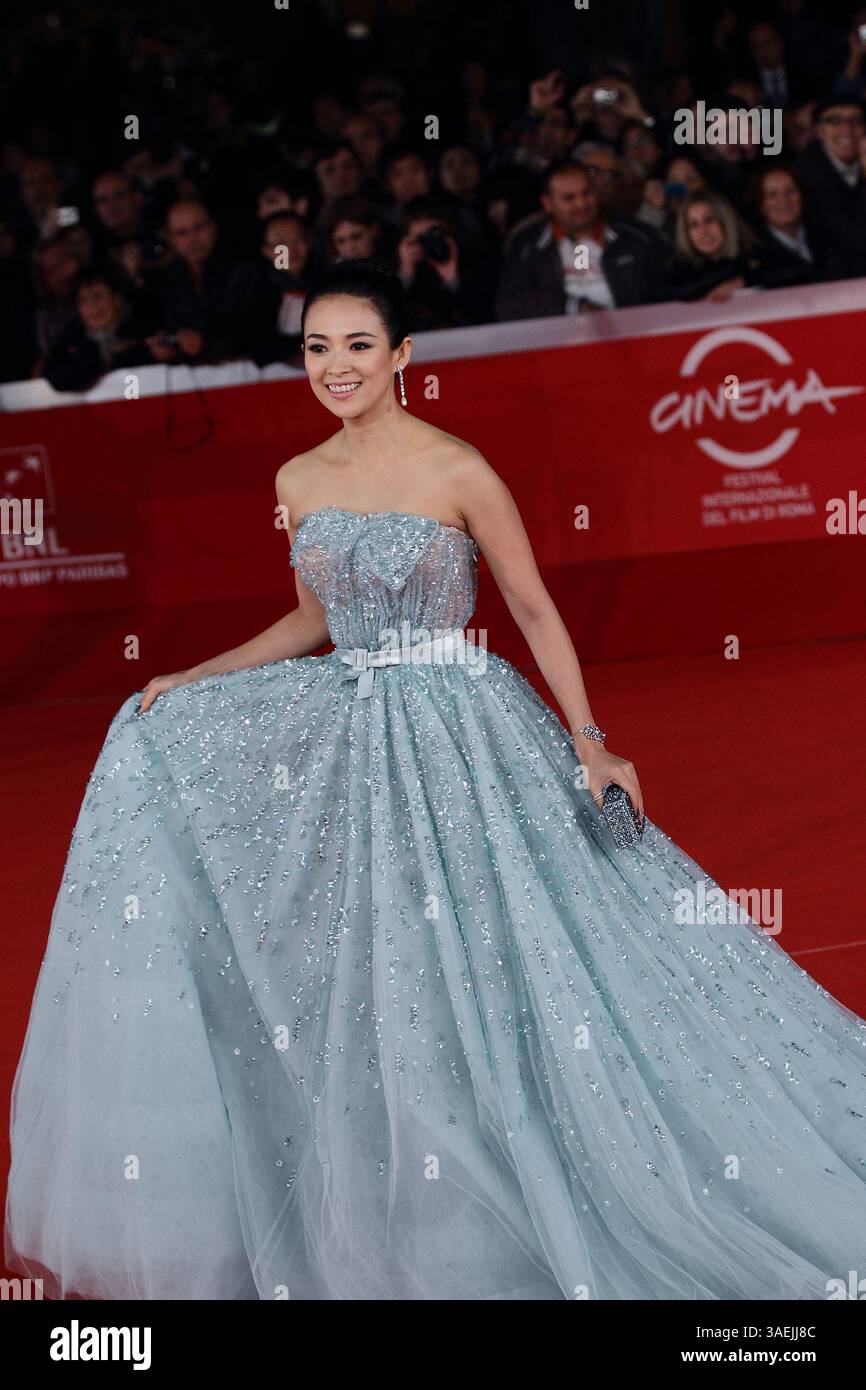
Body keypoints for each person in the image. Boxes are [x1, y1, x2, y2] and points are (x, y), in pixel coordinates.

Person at [7, 257, 866, 1301]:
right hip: (354, 741)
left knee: (516, 949)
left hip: (463, 729)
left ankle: (550, 1156)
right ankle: (429, 1195)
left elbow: (533, 608)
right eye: (318, 347)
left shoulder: (457, 467)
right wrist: (194, 674)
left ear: (403, 355)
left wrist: (589, 738)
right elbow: (312, 622)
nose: (335, 366)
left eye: (358, 345)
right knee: (386, 961)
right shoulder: (297, 480)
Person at [494, 159, 669, 320]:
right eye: (569, 198)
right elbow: (508, 304)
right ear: (547, 203)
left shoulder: (637, 238)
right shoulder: (528, 247)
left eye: (587, 193)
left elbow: (667, 294)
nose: (581, 204)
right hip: (559, 348)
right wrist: (573, 306)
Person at [44, 267, 156, 391]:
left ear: (117, 300)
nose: (92, 306)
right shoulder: (71, 341)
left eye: (97, 296)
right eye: (83, 300)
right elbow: (56, 378)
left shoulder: (143, 329)